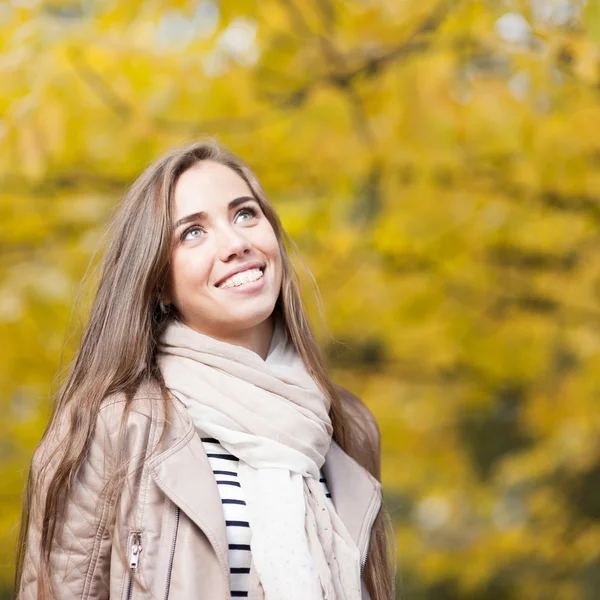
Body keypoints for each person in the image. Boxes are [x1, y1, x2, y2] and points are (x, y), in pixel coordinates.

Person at [14, 139, 394, 600]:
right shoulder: (117, 425)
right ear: (159, 283)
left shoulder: (345, 426)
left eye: (245, 214)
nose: (236, 244)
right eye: (192, 232)